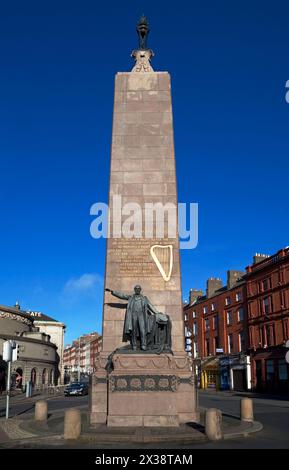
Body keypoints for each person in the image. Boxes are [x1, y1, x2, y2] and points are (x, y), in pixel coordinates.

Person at [105, 285, 170, 351]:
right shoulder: (131, 297)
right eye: (136, 289)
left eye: (138, 289)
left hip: (141, 315)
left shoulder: (144, 298)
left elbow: (151, 306)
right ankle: (134, 346)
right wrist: (112, 292)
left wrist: (157, 312)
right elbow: (122, 295)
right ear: (134, 290)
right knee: (134, 331)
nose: (137, 290)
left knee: (143, 330)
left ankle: (143, 345)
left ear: (140, 290)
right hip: (133, 315)